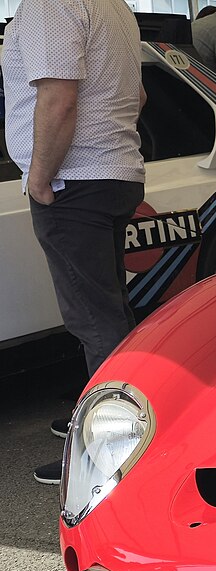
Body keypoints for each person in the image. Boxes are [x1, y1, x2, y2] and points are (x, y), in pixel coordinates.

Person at [2, 0, 146, 485]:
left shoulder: (50, 3)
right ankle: (116, 418)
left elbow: (59, 98)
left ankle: (116, 450)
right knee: (112, 314)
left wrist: (40, 179)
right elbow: (139, 96)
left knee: (95, 321)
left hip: (73, 182)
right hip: (112, 174)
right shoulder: (114, 6)